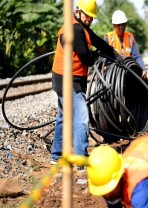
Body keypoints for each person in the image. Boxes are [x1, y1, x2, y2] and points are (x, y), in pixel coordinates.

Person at [50, 0, 124, 165]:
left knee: (64, 116)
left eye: (92, 17)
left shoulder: (77, 24)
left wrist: (112, 53)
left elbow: (96, 40)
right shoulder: (75, 30)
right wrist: (98, 55)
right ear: (78, 11)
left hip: (61, 78)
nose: (90, 19)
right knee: (82, 118)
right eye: (87, 15)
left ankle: (56, 155)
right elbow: (87, 58)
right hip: (69, 81)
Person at [104, 10, 147, 79]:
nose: (121, 27)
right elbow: (103, 58)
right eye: (118, 25)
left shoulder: (130, 37)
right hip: (113, 74)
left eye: (123, 24)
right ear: (114, 25)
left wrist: (143, 68)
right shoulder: (108, 38)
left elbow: (137, 56)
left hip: (129, 71)